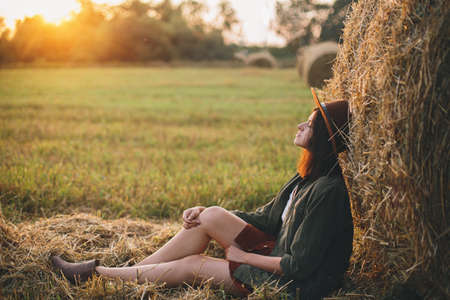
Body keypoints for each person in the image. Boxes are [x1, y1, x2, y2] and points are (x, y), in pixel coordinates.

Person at [51, 89, 354, 300]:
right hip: (276, 253)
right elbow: (267, 218)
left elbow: (298, 266)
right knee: (207, 217)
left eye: (310, 124)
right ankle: (135, 273)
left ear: (326, 140)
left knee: (193, 265)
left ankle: (98, 276)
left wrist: (243, 256)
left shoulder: (328, 192)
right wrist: (206, 211)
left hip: (292, 285)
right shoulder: (305, 179)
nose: (301, 124)